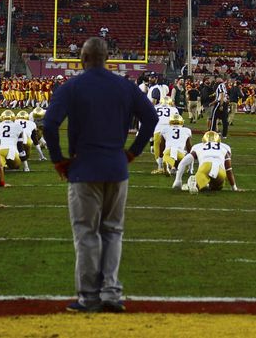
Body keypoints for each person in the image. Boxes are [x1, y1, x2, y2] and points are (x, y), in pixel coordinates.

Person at [42, 36, 157, 314]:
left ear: (82, 58)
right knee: (113, 232)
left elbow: (49, 125)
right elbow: (151, 118)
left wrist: (59, 161)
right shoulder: (125, 86)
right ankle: (111, 293)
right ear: (108, 58)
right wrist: (133, 152)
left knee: (86, 234)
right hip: (117, 167)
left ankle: (89, 298)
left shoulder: (72, 86)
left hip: (84, 168)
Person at [173, 130, 238, 194]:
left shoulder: (198, 146)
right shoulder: (224, 147)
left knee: (200, 182)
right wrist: (234, 187)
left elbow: (183, 162)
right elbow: (228, 169)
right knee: (218, 187)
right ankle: (196, 184)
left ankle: (193, 184)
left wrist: (178, 180)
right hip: (218, 168)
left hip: (205, 166)